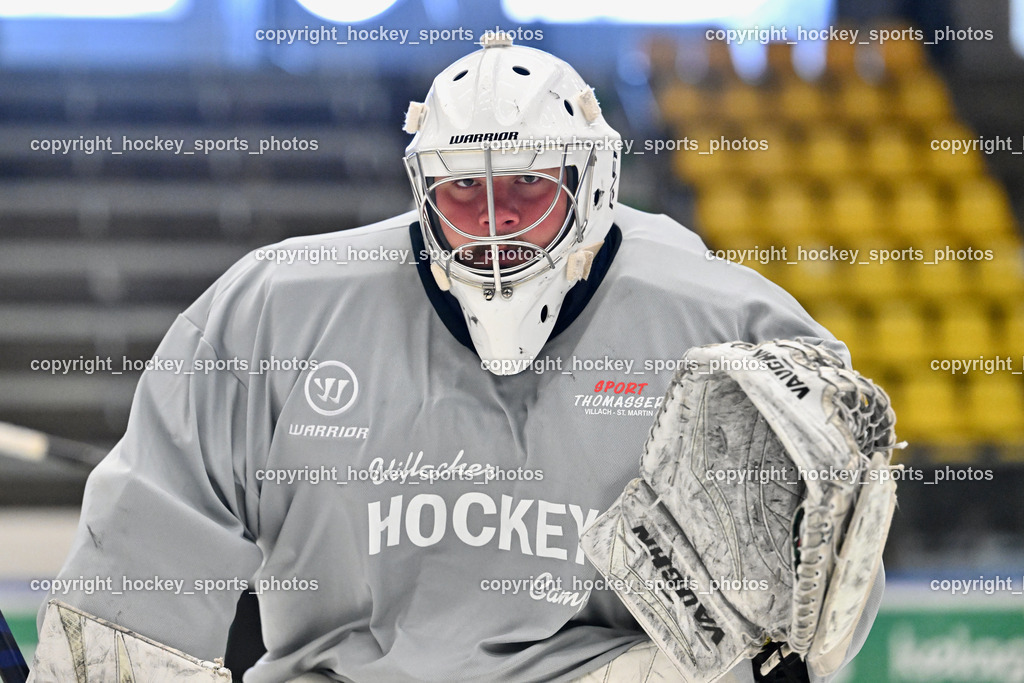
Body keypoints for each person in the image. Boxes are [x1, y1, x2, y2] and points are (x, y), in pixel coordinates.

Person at [31, 35, 882, 682]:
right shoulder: (272, 313)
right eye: (464, 192)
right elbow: (131, 590)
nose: (496, 222)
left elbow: (818, 607)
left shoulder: (727, 323)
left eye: (525, 187)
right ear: (423, 191)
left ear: (590, 184)